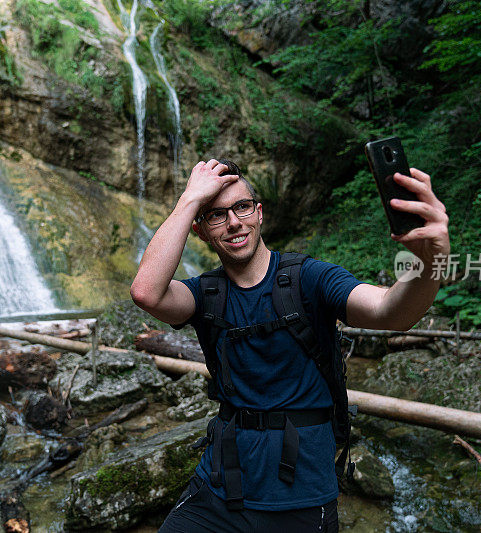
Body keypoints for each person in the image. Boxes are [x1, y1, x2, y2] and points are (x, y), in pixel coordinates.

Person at [131, 159, 450, 532]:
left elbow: (390, 312)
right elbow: (146, 293)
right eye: (216, 215)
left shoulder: (311, 279)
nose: (234, 222)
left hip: (302, 494)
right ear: (200, 230)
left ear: (259, 212)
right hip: (219, 488)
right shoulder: (205, 294)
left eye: (242, 207)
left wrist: (430, 260)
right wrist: (189, 200)